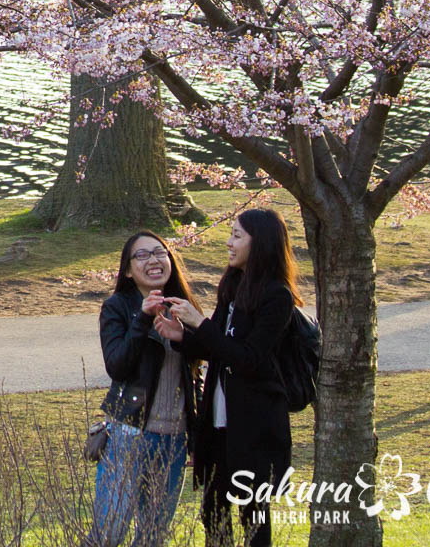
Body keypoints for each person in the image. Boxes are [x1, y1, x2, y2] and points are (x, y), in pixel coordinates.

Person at [158, 208, 303, 547]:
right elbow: (221, 348)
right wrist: (182, 337)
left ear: (261, 242)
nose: (229, 242)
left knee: (253, 516)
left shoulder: (277, 296)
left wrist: (199, 322)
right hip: (217, 423)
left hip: (254, 425)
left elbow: (249, 359)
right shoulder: (233, 285)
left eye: (237, 236)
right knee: (214, 514)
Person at [92, 232, 198, 547]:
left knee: (154, 537)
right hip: (130, 434)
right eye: (141, 256)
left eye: (159, 252)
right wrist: (142, 319)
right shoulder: (118, 307)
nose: (153, 260)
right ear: (127, 270)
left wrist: (187, 333)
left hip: (175, 439)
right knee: (108, 534)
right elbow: (117, 365)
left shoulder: (183, 305)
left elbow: (200, 367)